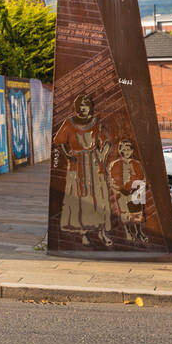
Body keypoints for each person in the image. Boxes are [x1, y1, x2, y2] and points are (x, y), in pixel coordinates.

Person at [52, 94, 113, 246]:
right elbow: (58, 141)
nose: (83, 108)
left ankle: (102, 232)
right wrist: (68, 155)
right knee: (81, 199)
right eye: (80, 106)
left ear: (90, 108)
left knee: (99, 198)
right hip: (77, 165)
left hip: (94, 165)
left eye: (86, 106)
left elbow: (106, 143)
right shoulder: (69, 123)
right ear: (77, 108)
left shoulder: (96, 122)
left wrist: (102, 157)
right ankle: (83, 233)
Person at [108, 138, 147, 244]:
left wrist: (137, 190)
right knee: (125, 214)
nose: (126, 152)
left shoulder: (137, 164)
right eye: (123, 150)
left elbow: (143, 178)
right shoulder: (114, 164)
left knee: (137, 213)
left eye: (128, 149)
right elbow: (112, 181)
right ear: (120, 151)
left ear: (132, 151)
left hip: (136, 192)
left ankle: (139, 232)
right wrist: (121, 190)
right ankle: (128, 232)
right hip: (122, 193)